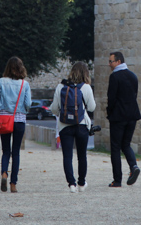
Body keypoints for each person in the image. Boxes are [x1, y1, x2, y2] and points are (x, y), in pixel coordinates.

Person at [50, 61, 96, 193]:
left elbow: (54, 109)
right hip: (81, 124)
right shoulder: (86, 88)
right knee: (82, 155)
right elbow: (92, 107)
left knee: (67, 156)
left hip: (65, 125)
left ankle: (71, 184)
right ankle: (81, 183)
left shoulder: (61, 86)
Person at [0, 56, 31, 193]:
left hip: (4, 120)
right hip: (19, 120)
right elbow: (28, 104)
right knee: (16, 152)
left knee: (5, 151)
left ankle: (4, 173)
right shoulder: (24, 84)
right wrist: (23, 110)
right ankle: (13, 183)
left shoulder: (1, 81)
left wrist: (3, 107)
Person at [106, 51, 141, 187]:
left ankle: (117, 180)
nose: (109, 64)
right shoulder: (133, 76)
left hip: (118, 117)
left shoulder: (115, 77)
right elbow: (134, 95)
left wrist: (109, 113)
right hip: (132, 115)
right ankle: (133, 166)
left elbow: (112, 98)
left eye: (111, 61)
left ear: (118, 61)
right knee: (126, 144)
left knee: (115, 147)